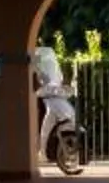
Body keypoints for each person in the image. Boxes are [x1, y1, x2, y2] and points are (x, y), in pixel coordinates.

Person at [32, 37, 78, 165]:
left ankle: (43, 153)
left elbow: (41, 70)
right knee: (46, 127)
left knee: (46, 128)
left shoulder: (43, 54)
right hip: (51, 95)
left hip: (51, 96)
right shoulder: (43, 54)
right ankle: (43, 153)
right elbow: (37, 70)